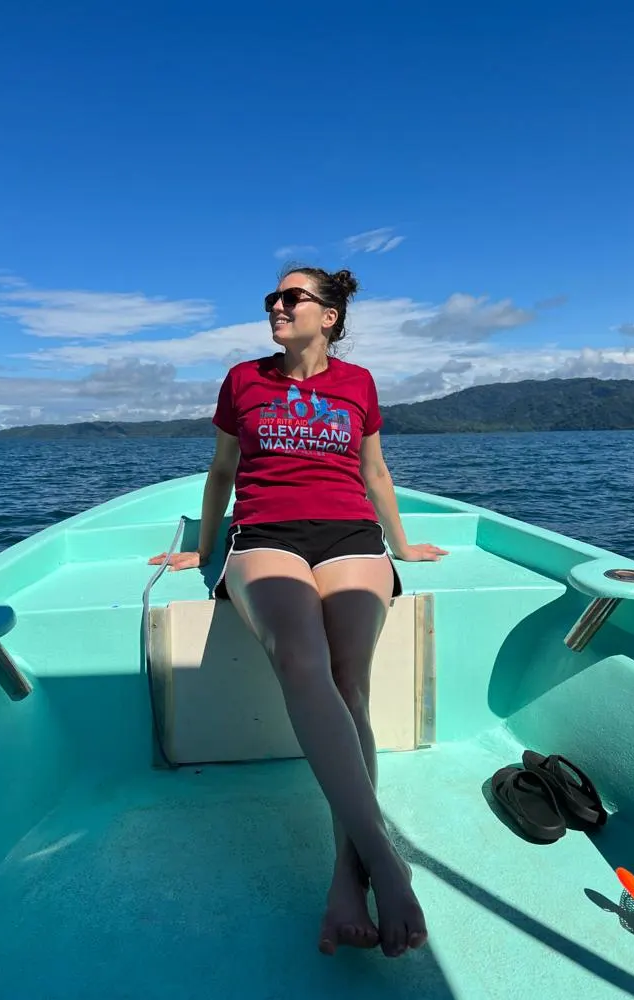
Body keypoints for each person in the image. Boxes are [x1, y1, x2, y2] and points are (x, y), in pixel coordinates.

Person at [149, 265, 448, 958]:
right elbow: (223, 471)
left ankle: (347, 880)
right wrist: (203, 548)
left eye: (293, 298)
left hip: (350, 536)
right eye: (272, 299)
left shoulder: (360, 385)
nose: (277, 307)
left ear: (331, 317)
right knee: (301, 657)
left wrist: (402, 545)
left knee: (353, 685)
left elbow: (374, 473)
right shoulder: (243, 380)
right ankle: (385, 859)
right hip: (266, 536)